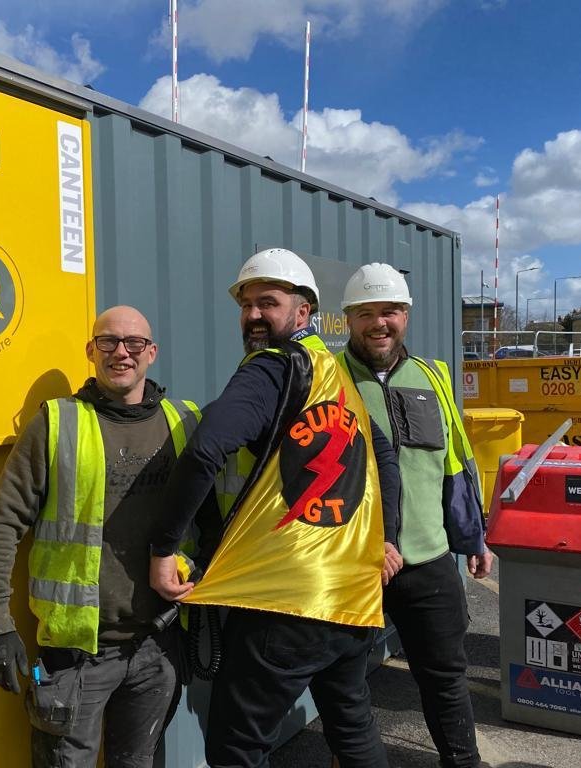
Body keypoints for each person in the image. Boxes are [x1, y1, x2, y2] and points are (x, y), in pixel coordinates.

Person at [149, 248, 401, 768]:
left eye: (269, 302)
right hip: (349, 592)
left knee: (236, 748)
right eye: (246, 304)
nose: (254, 315)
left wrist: (162, 548)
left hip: (283, 598)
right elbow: (383, 454)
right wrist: (384, 539)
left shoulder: (271, 368)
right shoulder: (331, 374)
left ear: (303, 312)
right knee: (352, 728)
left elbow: (204, 452)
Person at [0, 305, 218, 768]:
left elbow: (212, 522)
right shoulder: (57, 424)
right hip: (75, 656)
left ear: (152, 353)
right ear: (91, 350)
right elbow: (4, 521)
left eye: (133, 344)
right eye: (108, 342)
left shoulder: (183, 423)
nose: (120, 353)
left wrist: (198, 574)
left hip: (157, 646)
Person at [337, 262, 493, 768]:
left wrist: (473, 536)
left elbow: (456, 460)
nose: (378, 323)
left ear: (406, 316)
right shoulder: (330, 379)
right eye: (365, 313)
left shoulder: (432, 375)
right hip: (354, 567)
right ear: (347, 319)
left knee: (445, 679)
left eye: (390, 312)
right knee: (344, 684)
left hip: (429, 559)